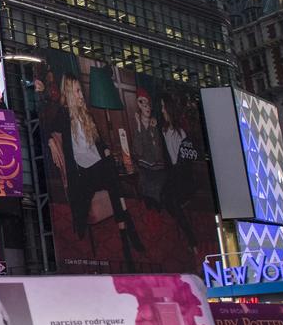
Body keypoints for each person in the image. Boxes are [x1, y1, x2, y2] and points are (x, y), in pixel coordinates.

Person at [49, 73, 145, 264]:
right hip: (82, 171)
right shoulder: (62, 115)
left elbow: (99, 141)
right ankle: (127, 230)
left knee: (112, 176)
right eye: (76, 91)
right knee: (112, 181)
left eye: (80, 90)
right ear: (68, 92)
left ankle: (125, 232)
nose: (80, 94)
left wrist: (107, 151)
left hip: (99, 166)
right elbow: (50, 132)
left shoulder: (86, 114)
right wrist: (51, 142)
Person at [157, 93, 200, 251]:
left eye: (163, 107)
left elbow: (186, 163)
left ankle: (192, 240)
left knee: (172, 202)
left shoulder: (181, 133)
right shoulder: (164, 129)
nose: (161, 110)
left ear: (169, 109)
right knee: (164, 198)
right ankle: (183, 225)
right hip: (173, 174)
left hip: (184, 177)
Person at [131, 88, 169, 209]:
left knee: (156, 191)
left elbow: (158, 154)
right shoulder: (137, 126)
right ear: (138, 106)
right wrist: (139, 127)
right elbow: (138, 151)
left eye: (148, 104)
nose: (146, 106)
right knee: (146, 190)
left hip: (158, 169)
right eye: (142, 103)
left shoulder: (155, 124)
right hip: (145, 169)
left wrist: (152, 131)